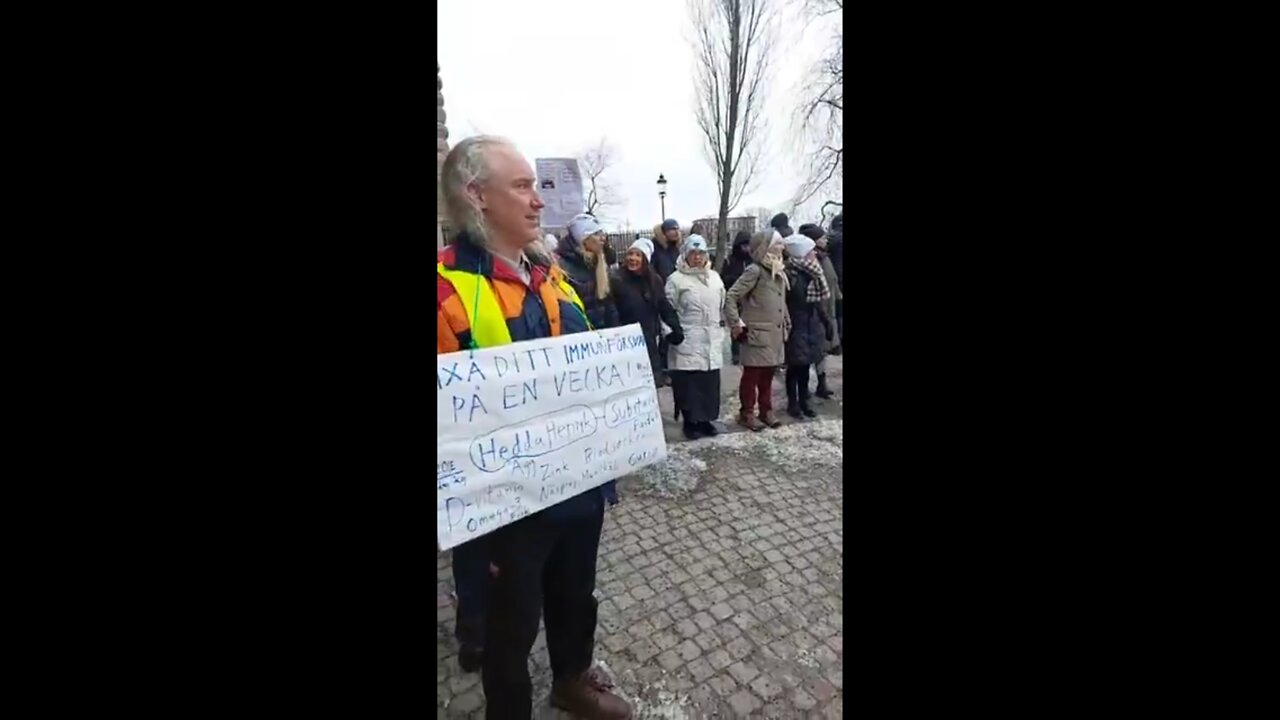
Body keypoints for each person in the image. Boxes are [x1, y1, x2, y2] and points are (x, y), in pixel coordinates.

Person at [436, 135, 631, 720]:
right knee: (507, 628)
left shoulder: (553, 277)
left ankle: (570, 680)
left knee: (576, 597)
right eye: (521, 186)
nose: (539, 201)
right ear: (477, 196)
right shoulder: (445, 289)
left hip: (577, 488)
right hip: (504, 510)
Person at [723, 230, 790, 430]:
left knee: (768, 376)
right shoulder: (755, 270)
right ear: (766, 247)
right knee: (752, 376)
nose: (782, 247)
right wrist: (736, 324)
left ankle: (766, 410)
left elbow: (780, 301)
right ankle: (747, 413)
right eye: (778, 243)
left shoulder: (778, 270)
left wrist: (786, 320)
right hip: (756, 334)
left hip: (774, 334)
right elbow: (731, 296)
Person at [665, 234, 727, 439]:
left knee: (709, 385)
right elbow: (667, 310)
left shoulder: (715, 277)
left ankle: (706, 420)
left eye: (701, 253)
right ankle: (690, 423)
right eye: (693, 253)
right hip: (688, 339)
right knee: (690, 386)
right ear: (685, 255)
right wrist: (670, 333)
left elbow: (721, 304)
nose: (698, 257)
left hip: (711, 339)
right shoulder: (676, 280)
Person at [610, 238, 683, 386]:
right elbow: (611, 311)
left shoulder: (654, 281)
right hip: (625, 342)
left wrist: (675, 327)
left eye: (638, 255)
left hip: (648, 340)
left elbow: (664, 306)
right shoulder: (616, 280)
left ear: (645, 259)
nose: (633, 258)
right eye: (630, 254)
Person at [782, 232, 833, 419]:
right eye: (811, 251)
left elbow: (819, 302)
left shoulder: (813, 272)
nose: (814, 254)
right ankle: (793, 403)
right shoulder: (790, 274)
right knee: (795, 367)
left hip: (812, 325)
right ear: (801, 253)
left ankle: (805, 401)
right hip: (796, 325)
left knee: (805, 367)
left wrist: (826, 322)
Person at [556, 214, 621, 331]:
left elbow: (608, 302)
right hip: (581, 335)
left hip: (602, 334)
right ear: (583, 239)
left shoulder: (600, 262)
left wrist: (615, 330)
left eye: (602, 233)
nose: (603, 238)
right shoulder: (563, 266)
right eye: (596, 234)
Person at [800, 223, 841, 398]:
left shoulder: (825, 258)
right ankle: (805, 387)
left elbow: (833, 281)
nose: (826, 240)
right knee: (813, 351)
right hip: (818, 313)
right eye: (822, 238)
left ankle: (821, 383)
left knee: (822, 352)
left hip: (829, 310)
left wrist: (838, 296)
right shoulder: (812, 262)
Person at [650, 219, 683, 384]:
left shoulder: (675, 250)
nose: (676, 232)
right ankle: (661, 370)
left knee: (671, 331)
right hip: (660, 295)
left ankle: (670, 367)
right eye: (672, 229)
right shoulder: (655, 249)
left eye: (677, 228)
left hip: (674, 294)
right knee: (662, 334)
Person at [720, 231, 754, 365]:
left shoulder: (752, 261)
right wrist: (735, 279)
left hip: (749, 298)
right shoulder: (730, 261)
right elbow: (724, 278)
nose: (746, 249)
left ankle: (746, 349)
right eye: (743, 246)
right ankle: (736, 352)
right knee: (736, 324)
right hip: (735, 297)